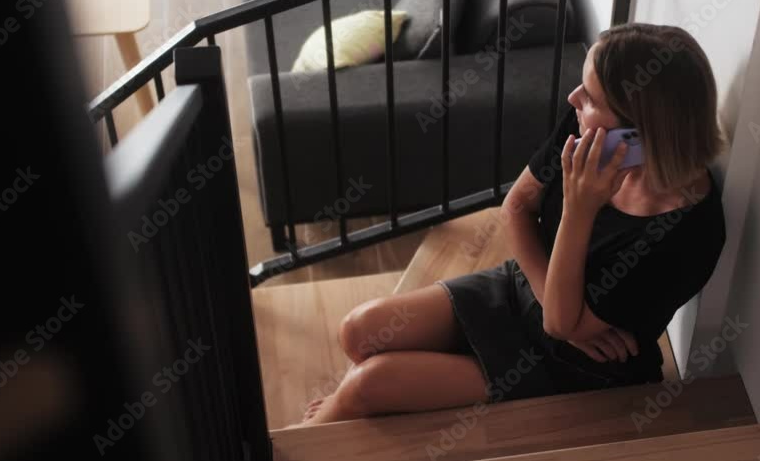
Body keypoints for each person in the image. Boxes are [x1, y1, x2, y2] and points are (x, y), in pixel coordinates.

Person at [298, 23, 726, 425]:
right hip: (528, 292)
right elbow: (517, 206)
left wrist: (580, 208)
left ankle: (307, 437)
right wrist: (560, 313)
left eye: (593, 98)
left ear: (641, 132)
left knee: (364, 386)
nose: (574, 99)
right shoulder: (589, 132)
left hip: (576, 362)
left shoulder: (687, 236)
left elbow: (559, 327)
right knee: (358, 332)